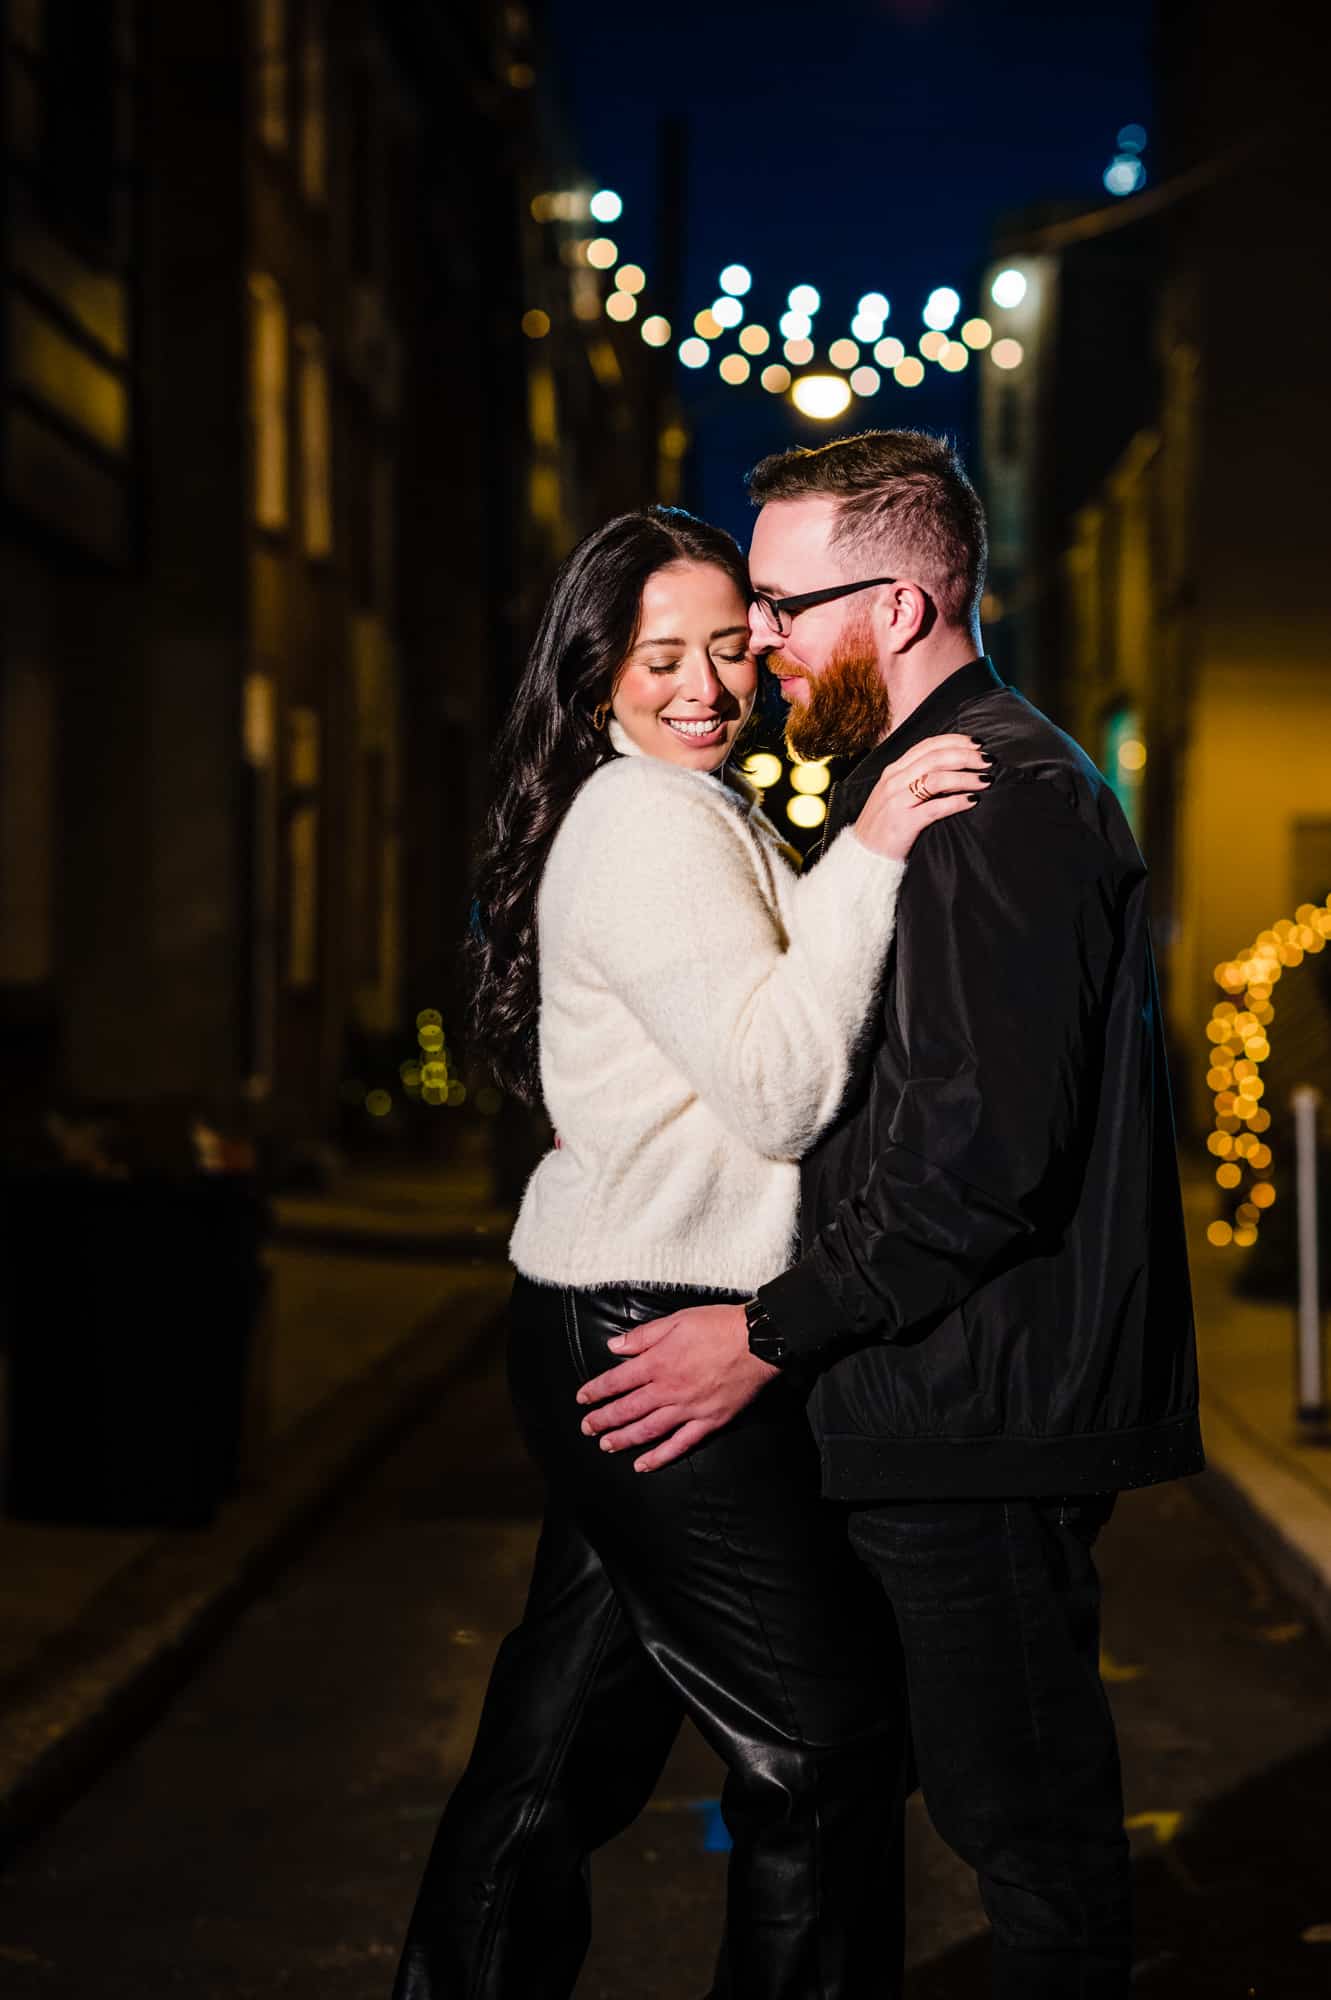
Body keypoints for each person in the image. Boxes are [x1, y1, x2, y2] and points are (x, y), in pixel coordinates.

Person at [579, 432, 1204, 2000]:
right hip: (926, 1394)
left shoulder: (1003, 796)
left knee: (1028, 1831)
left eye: (784, 606)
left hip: (978, 1414)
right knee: (900, 1791)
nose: (758, 645)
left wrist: (767, 1334)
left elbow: (975, 1155)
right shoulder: (911, 791)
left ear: (906, 602)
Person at [391, 504, 988, 2000]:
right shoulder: (649, 823)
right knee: (825, 1743)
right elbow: (779, 1088)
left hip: (618, 1307)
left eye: (731, 644)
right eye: (660, 654)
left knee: (560, 1753)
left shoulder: (686, 803)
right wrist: (867, 855)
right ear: (595, 671)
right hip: (659, 1322)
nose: (705, 685)